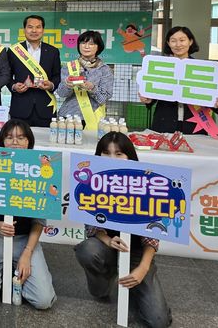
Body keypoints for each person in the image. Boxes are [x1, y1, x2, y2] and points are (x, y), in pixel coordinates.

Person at [74, 132, 172, 328]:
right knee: (88, 250)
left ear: (130, 156)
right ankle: (104, 281)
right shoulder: (93, 182)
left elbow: (153, 234)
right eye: (106, 153)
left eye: (119, 154)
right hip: (106, 246)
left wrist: (143, 269)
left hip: (136, 251)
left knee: (158, 321)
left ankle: (135, 284)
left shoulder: (146, 183)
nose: (112, 159)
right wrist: (107, 240)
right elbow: (92, 226)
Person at [0, 119, 57, 309]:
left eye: (21, 137)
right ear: (2, 142)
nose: (15, 142)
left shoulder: (41, 169)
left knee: (43, 301)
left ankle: (11, 272)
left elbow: (40, 218)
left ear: (29, 142)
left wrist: (27, 253)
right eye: (9, 137)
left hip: (25, 239)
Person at [139, 26, 218, 134]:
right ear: (168, 43)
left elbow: (210, 95)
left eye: (182, 40)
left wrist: (217, 103)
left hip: (194, 124)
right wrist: (148, 99)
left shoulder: (202, 69)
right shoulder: (161, 66)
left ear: (190, 41)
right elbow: (153, 95)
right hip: (165, 122)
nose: (178, 44)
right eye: (173, 41)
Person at [8, 15, 61, 127]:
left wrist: (51, 85)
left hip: (46, 108)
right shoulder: (14, 51)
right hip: (20, 108)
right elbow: (6, 76)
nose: (34, 30)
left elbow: (57, 76)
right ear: (24, 29)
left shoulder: (53, 51)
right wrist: (14, 86)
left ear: (43, 30)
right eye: (30, 27)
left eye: (38, 27)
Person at [56, 30, 114, 129]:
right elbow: (61, 94)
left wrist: (92, 88)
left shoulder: (104, 69)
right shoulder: (69, 66)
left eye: (91, 44)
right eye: (83, 43)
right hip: (69, 116)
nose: (86, 46)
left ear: (98, 47)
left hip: (93, 117)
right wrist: (68, 84)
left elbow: (104, 98)